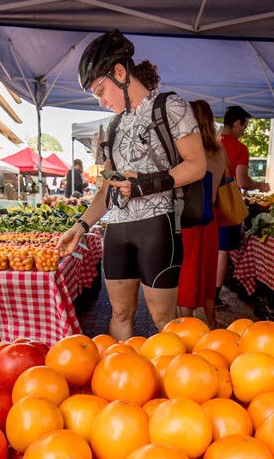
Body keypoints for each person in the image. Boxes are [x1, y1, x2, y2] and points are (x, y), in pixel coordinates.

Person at [57, 30, 205, 339]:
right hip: (117, 228)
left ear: (120, 73)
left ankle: (176, 383)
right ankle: (123, 384)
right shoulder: (113, 125)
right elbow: (106, 188)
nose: (100, 101)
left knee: (164, 318)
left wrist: (147, 184)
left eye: (101, 90)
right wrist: (80, 226)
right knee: (120, 312)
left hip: (157, 225)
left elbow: (197, 165)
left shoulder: (170, 107)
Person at [176, 100, 224, 326]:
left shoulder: (188, 150)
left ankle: (187, 326)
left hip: (189, 216)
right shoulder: (219, 150)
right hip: (210, 216)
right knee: (207, 271)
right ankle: (212, 322)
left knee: (187, 270)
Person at [217, 105, 269, 307]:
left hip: (207, 201)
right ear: (237, 123)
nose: (244, 132)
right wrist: (260, 185)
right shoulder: (240, 148)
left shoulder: (211, 142)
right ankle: (214, 297)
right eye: (245, 127)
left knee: (208, 247)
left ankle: (201, 293)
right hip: (227, 202)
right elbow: (242, 181)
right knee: (222, 252)